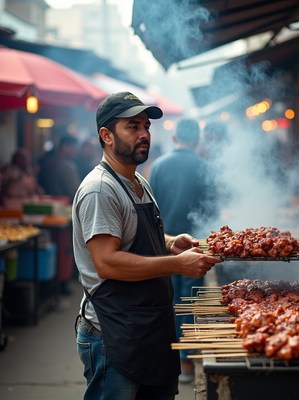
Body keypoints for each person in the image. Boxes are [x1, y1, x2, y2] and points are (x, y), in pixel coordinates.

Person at [72, 91, 222, 400]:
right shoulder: (100, 190)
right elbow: (107, 262)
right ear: (106, 135)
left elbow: (135, 237)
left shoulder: (140, 182)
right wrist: (177, 265)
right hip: (114, 334)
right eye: (133, 126)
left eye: (146, 126)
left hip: (149, 328)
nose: (144, 134)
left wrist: (170, 243)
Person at [148, 118, 218, 383]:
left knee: (168, 300)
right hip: (194, 244)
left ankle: (172, 359)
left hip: (163, 244)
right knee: (189, 302)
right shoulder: (205, 167)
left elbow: (150, 208)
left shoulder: (158, 166)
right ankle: (186, 362)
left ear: (175, 138)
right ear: (197, 139)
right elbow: (213, 210)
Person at [39, 133, 81, 203]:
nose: (75, 151)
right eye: (73, 147)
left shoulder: (48, 162)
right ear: (64, 146)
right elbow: (75, 192)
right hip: (65, 206)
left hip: (47, 203)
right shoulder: (68, 166)